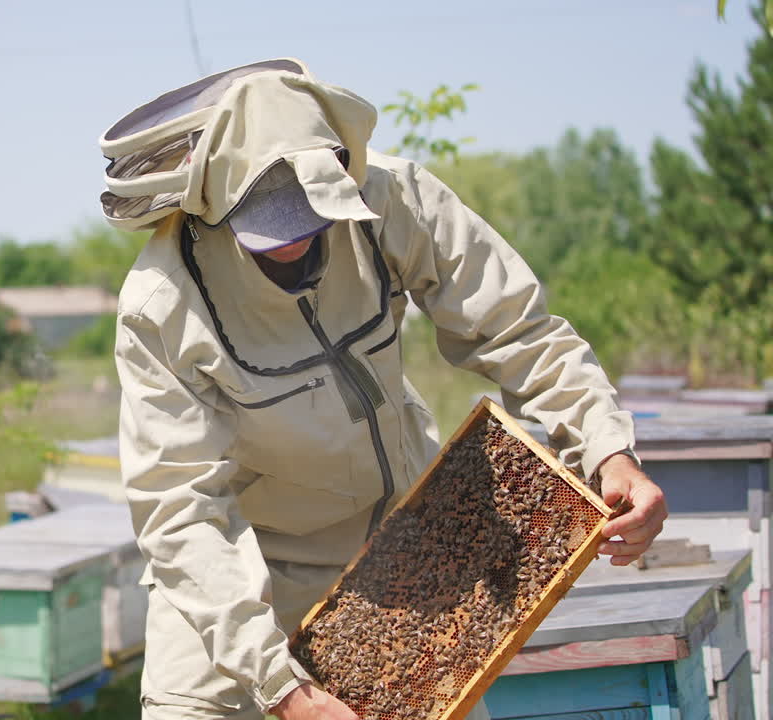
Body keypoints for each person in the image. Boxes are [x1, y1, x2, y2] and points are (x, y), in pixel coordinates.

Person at [101, 59, 668, 720]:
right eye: (270, 225)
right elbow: (180, 509)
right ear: (213, 206)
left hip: (401, 556)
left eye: (312, 211)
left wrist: (608, 450)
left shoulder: (394, 199)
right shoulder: (161, 307)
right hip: (229, 587)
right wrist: (283, 689)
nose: (296, 240)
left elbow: (517, 328)